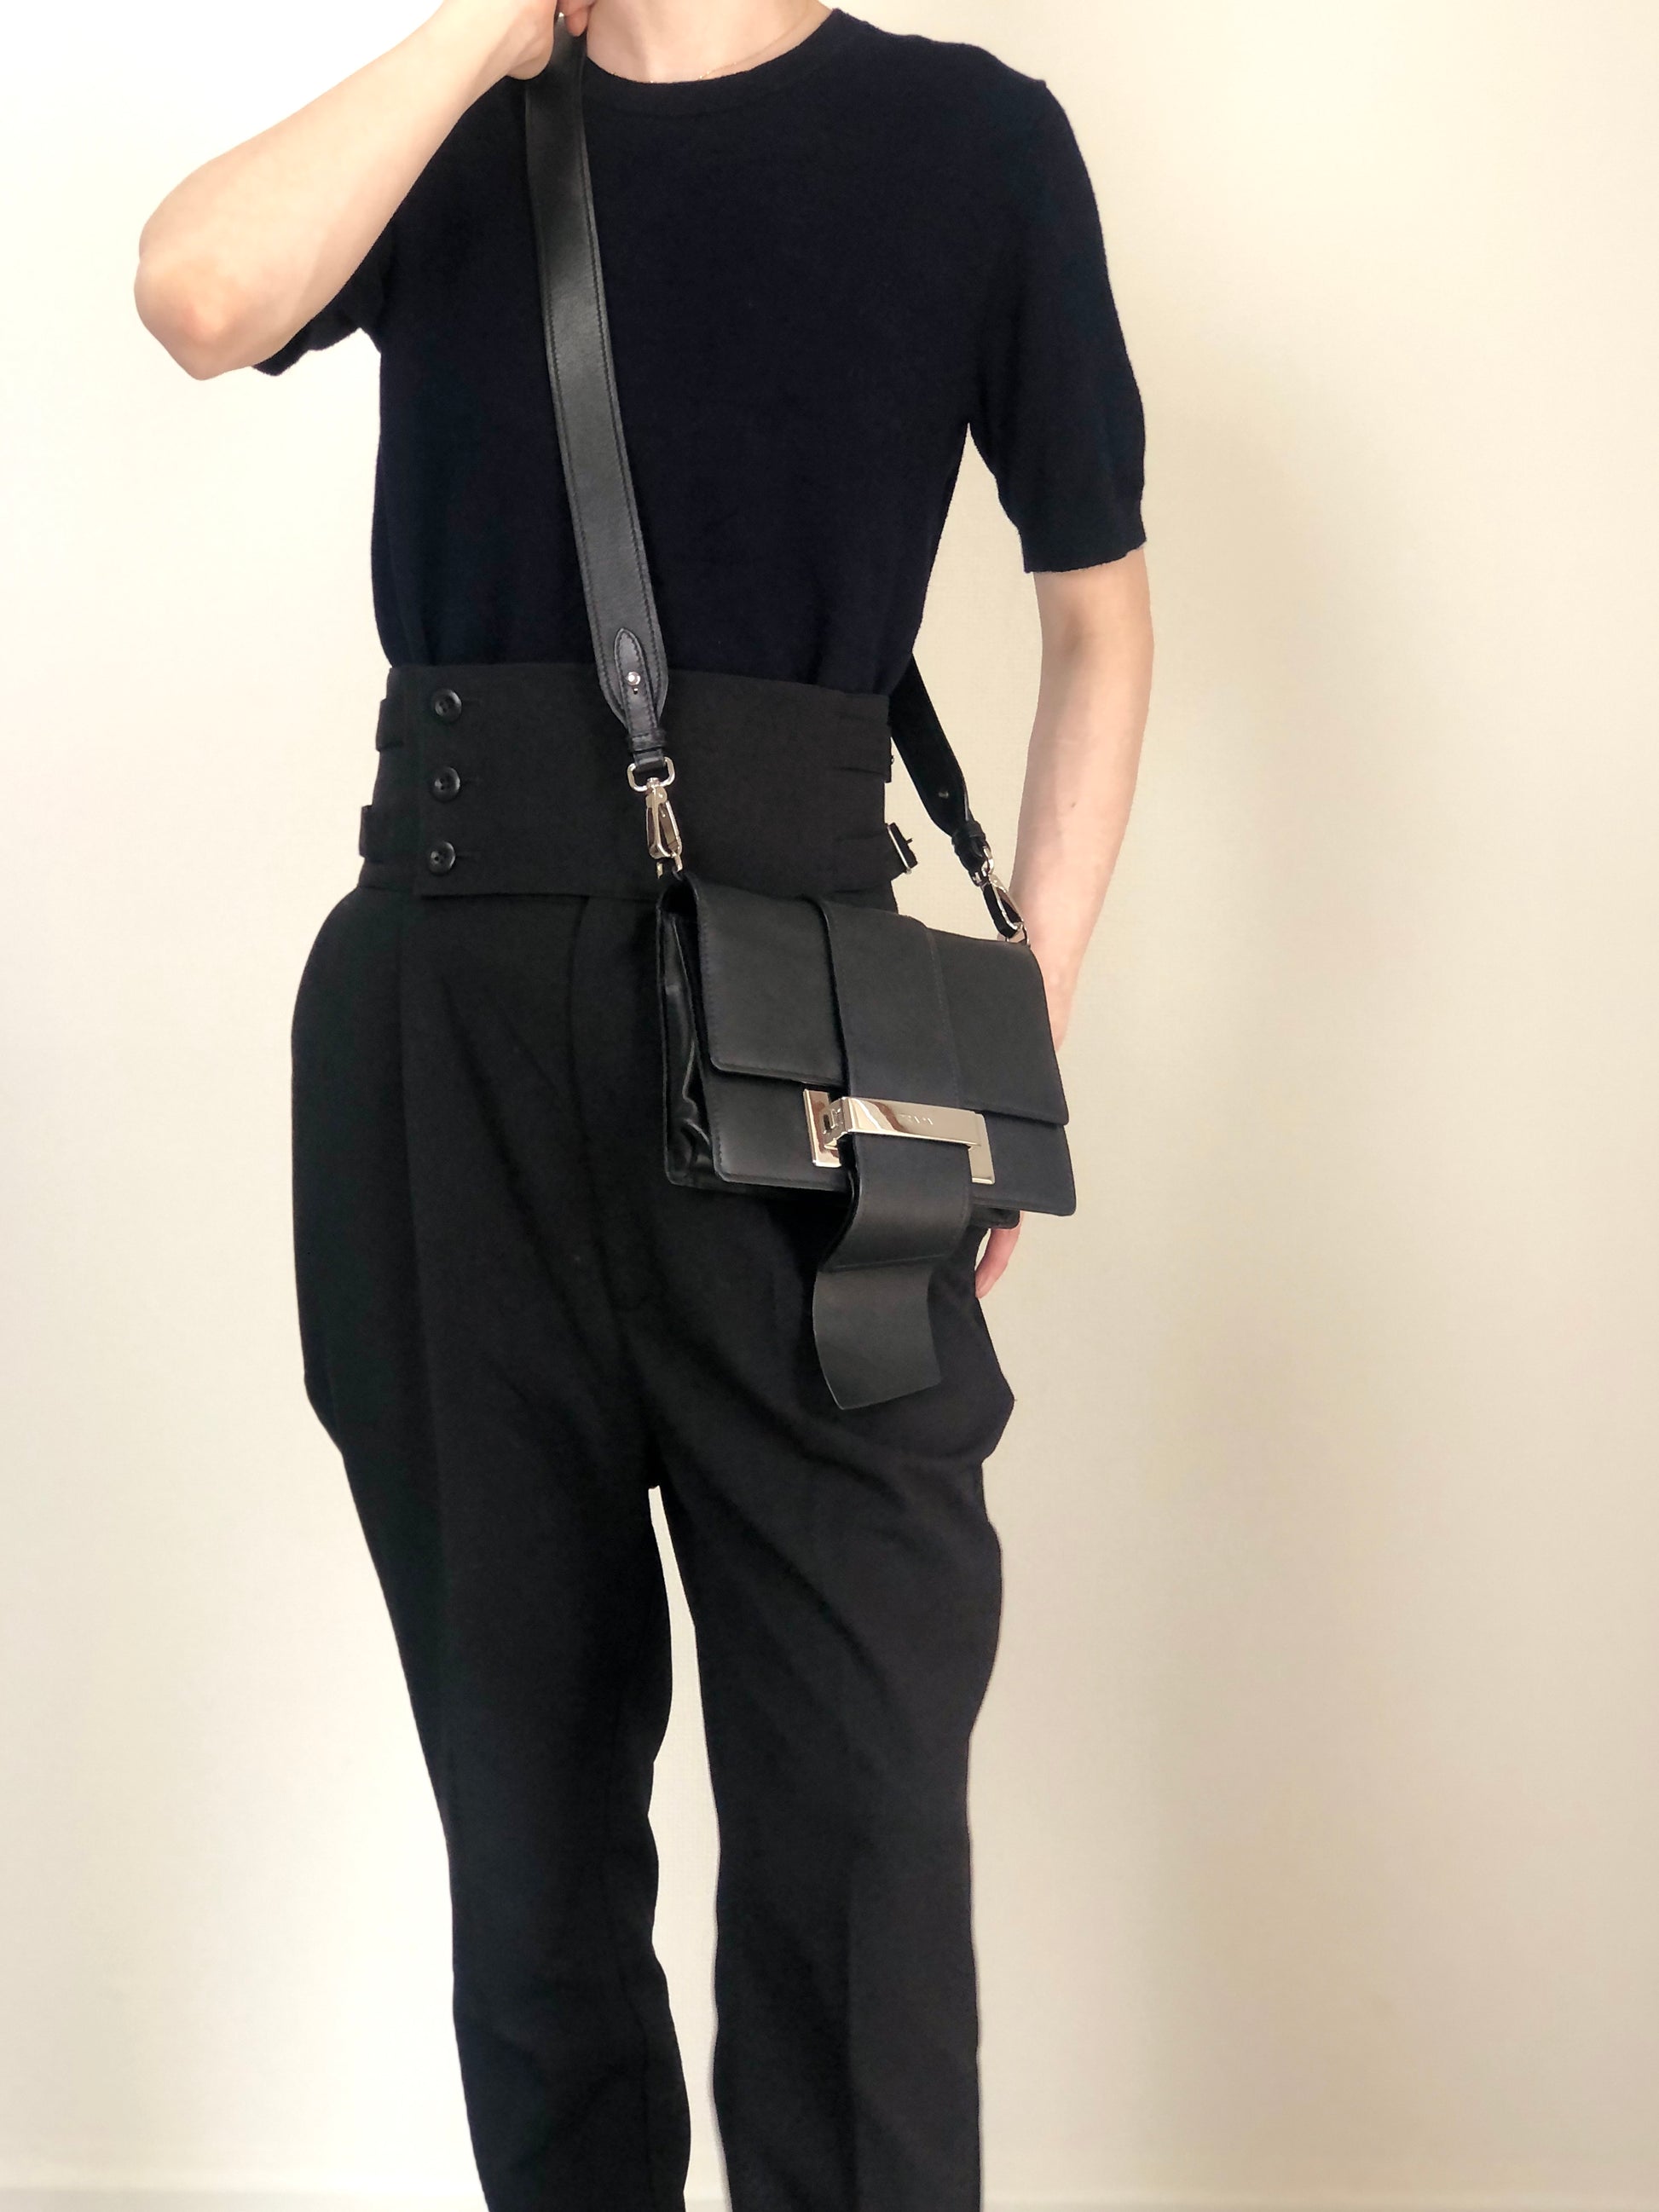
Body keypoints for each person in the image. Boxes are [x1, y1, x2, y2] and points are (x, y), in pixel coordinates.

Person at [134, 3, 1153, 2206]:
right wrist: (487, 29)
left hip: (815, 1054)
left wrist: (1018, 1042)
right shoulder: (462, 125)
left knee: (864, 1825)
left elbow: (1101, 621)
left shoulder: (969, 144)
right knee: (528, 1841)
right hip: (448, 1034)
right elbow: (198, 293)